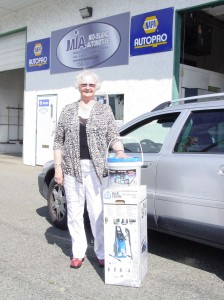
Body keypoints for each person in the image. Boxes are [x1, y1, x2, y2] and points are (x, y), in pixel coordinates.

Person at [53, 70, 126, 269]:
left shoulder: (105, 110)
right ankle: (78, 253)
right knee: (75, 213)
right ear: (78, 86)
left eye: (91, 85)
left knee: (98, 212)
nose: (87, 88)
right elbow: (58, 141)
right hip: (71, 169)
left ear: (96, 87)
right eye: (84, 85)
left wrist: (120, 152)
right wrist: (58, 168)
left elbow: (113, 135)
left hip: (96, 169)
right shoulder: (68, 110)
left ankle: (101, 252)